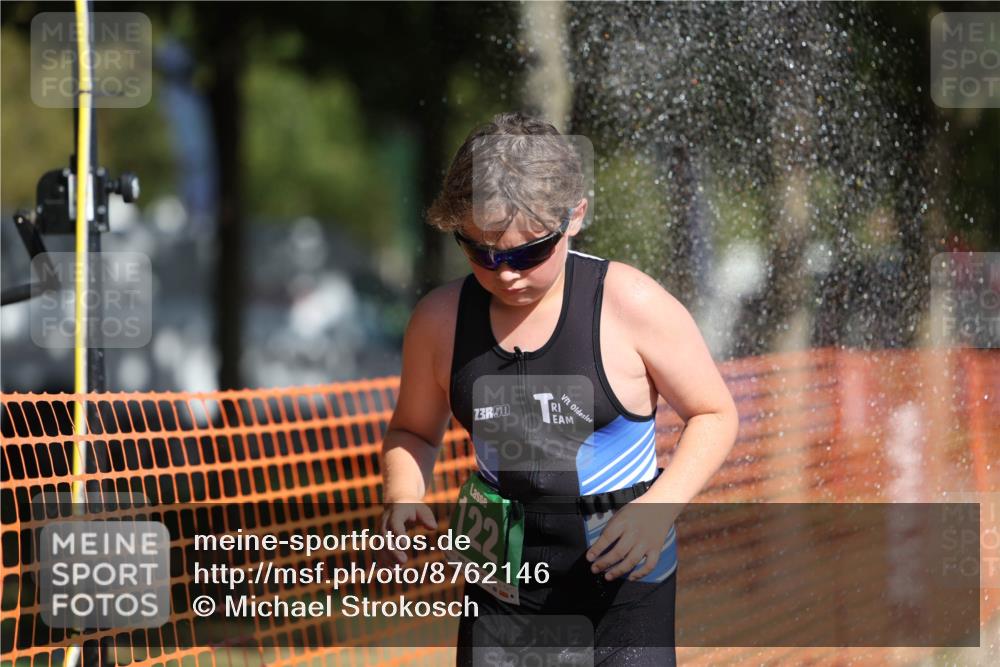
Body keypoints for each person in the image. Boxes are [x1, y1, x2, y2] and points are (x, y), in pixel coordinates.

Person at [378, 112, 739, 666]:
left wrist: (659, 507)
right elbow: (412, 429)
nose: (505, 274)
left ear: (574, 218)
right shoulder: (439, 320)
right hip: (500, 569)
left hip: (622, 559)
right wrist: (403, 495)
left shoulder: (630, 304)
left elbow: (714, 414)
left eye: (526, 254)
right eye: (480, 252)